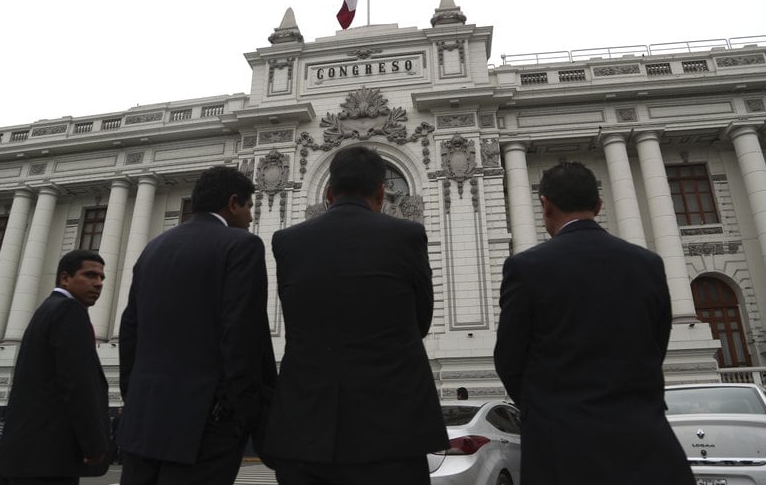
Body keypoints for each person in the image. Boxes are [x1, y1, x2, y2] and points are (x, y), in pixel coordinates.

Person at [493, 161, 694, 485]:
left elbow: (509, 359)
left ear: (545, 204)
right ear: (599, 205)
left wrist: (545, 405)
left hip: (562, 448)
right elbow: (657, 343)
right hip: (643, 444)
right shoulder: (647, 264)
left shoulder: (526, 268)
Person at [265, 145, 449, 485]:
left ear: (330, 193)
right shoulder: (406, 236)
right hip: (391, 431)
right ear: (381, 193)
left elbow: (297, 318)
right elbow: (421, 320)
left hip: (306, 429)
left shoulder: (288, 241)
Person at [118, 166, 276, 485]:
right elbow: (243, 335)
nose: (249, 218)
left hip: (144, 418)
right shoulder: (241, 245)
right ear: (233, 202)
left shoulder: (153, 249)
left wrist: (134, 395)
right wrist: (244, 413)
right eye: (248, 207)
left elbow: (130, 329)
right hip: (205, 422)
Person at [0, 250, 110, 484]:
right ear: (64, 278)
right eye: (90, 275)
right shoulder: (69, 311)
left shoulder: (47, 310)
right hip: (50, 458)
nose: (98, 284)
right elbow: (78, 384)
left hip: (25, 456)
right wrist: (95, 444)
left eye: (101, 278)